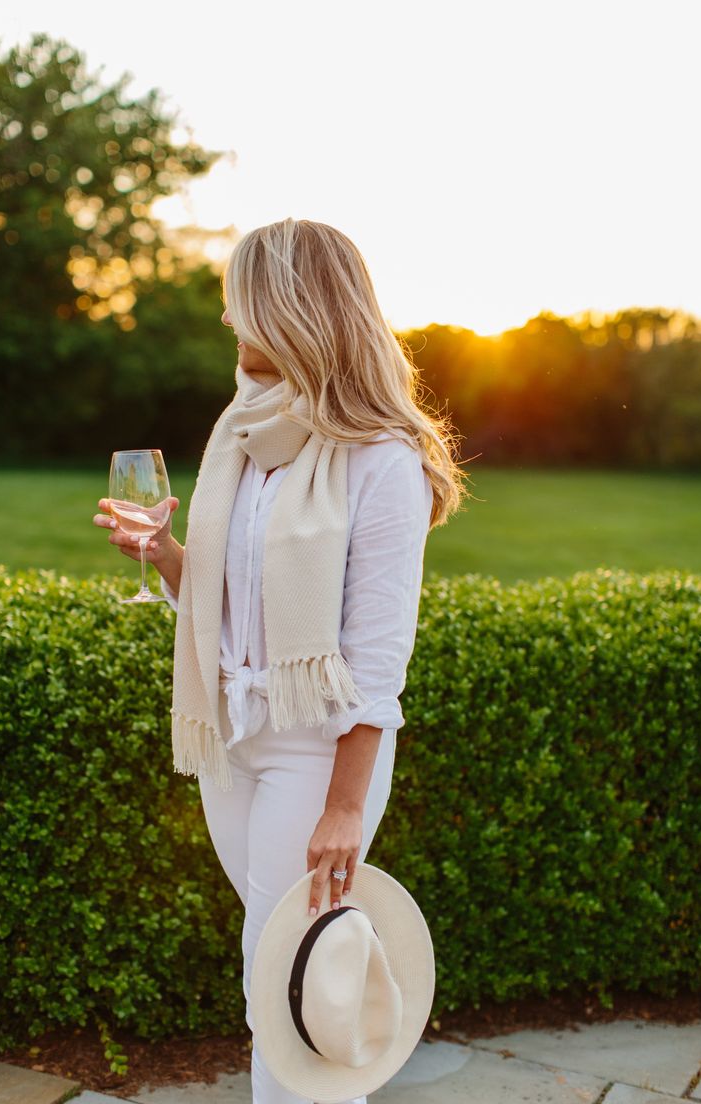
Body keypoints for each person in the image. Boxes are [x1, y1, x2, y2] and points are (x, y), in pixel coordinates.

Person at [93, 218, 466, 1104]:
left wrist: (345, 806)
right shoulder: (247, 437)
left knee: (286, 985)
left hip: (314, 753)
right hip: (231, 738)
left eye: (239, 304)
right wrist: (167, 554)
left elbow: (378, 659)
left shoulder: (381, 461)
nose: (228, 322)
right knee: (277, 964)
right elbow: (233, 613)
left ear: (289, 310)